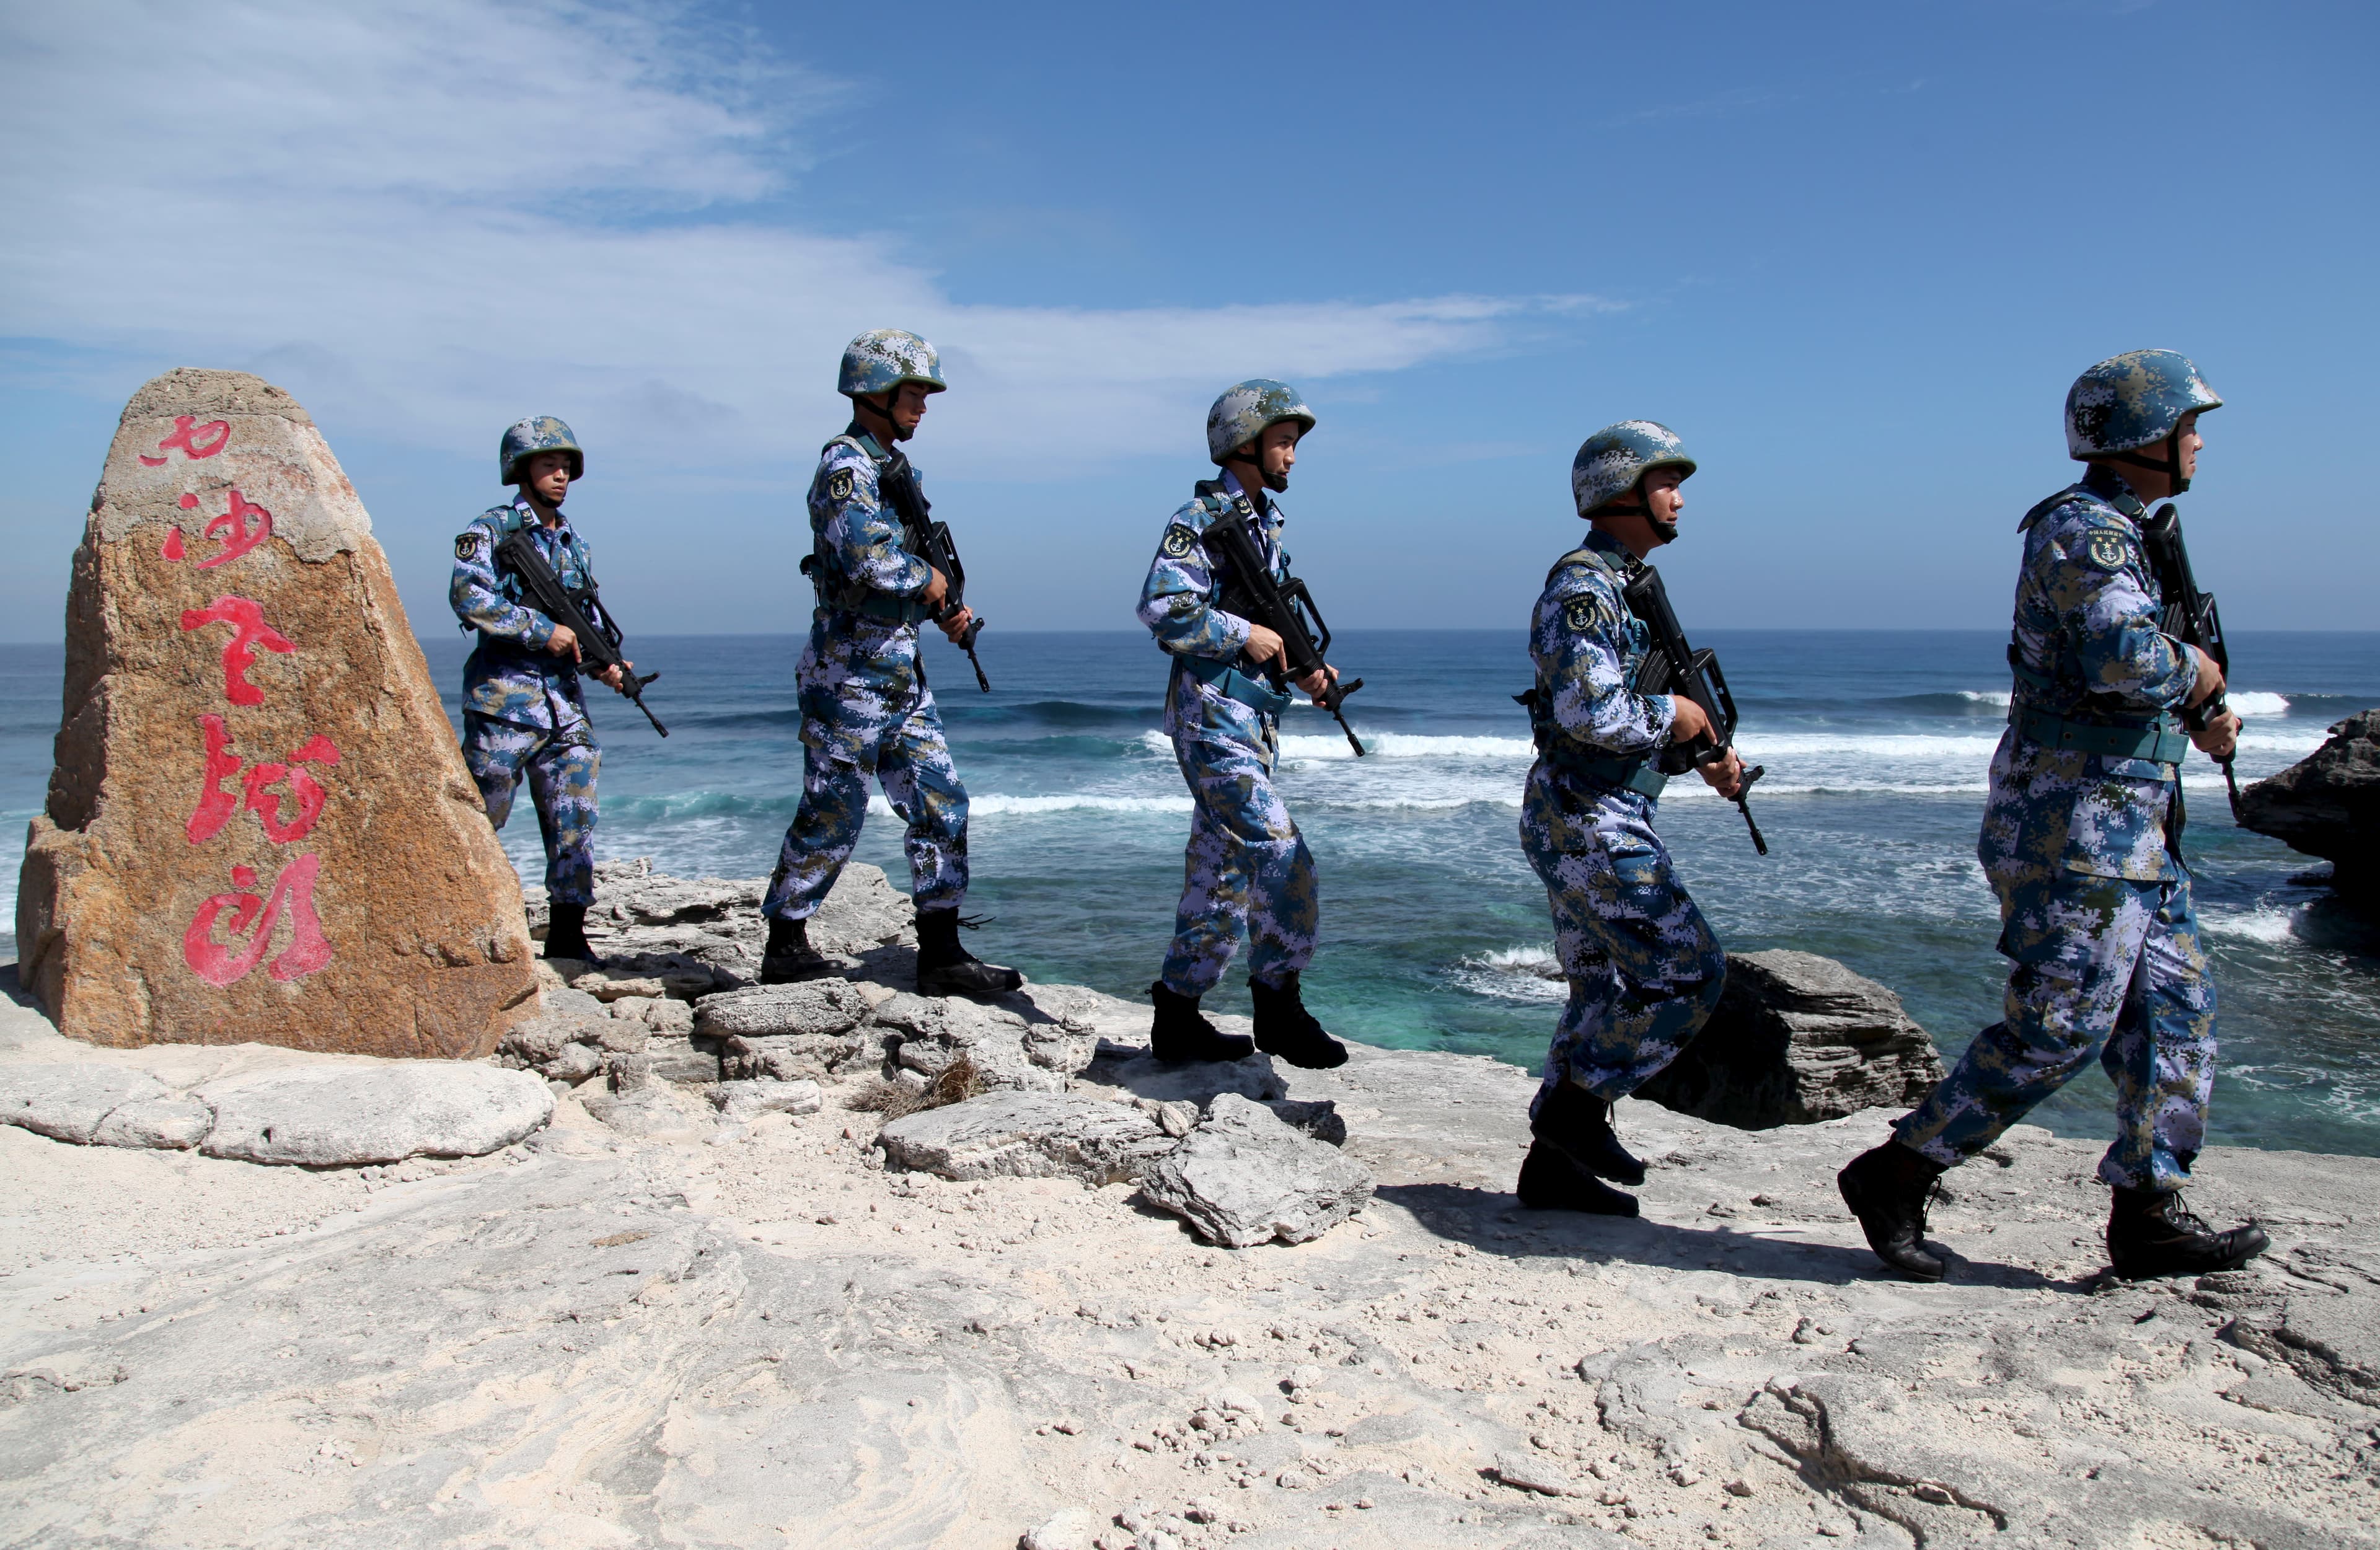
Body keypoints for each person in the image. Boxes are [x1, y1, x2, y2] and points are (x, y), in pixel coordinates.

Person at [1840, 350, 2268, 1282]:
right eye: (2187, 426)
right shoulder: (2083, 530)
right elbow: (2123, 656)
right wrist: (2195, 673)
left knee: (2178, 1015)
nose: (2198, 442)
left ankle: (2150, 1212)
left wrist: (2198, 708)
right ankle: (1898, 1170)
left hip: (2134, 823)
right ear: (2142, 435)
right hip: (2074, 819)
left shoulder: (2132, 530)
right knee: (2064, 1021)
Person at [1513, 421, 1745, 1217]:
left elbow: (1640, 705)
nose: (1678, 497)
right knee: (1689, 969)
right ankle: (1574, 1115)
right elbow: (1588, 709)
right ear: (1621, 492)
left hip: (1593, 806)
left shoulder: (1627, 581)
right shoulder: (1585, 587)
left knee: (1599, 989)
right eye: (1664, 481)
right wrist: (1674, 715)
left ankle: (1551, 1170)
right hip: (1586, 813)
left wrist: (1701, 745)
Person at [757, 329, 1020, 1000]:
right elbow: (869, 561)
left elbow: (908, 568)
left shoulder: (896, 471)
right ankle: (785, 942)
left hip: (899, 672)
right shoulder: (847, 467)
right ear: (874, 392)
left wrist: (944, 605)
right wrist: (928, 580)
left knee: (941, 802)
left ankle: (941, 953)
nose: (924, 406)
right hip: (847, 672)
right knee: (834, 807)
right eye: (914, 392)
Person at [1135, 381, 1350, 1068]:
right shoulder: (1198, 517)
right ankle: (1278, 1005)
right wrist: (1241, 632)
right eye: (1283, 441)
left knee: (1219, 874)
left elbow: (1276, 625)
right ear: (1245, 443)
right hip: (1211, 716)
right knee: (1285, 857)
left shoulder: (1265, 523)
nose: (1293, 454)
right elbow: (1162, 606)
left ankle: (1176, 1017)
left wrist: (1307, 669)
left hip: (1249, 720)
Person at [451, 416, 635, 964]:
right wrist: (539, 631)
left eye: (565, 467)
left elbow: (576, 617)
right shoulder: (489, 531)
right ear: (521, 469)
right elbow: (470, 597)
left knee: (575, 815)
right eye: (548, 465)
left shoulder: (573, 541)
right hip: (506, 701)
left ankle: (568, 933)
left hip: (562, 706)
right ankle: (458, 915)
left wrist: (603, 661)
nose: (560, 476)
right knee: (481, 815)